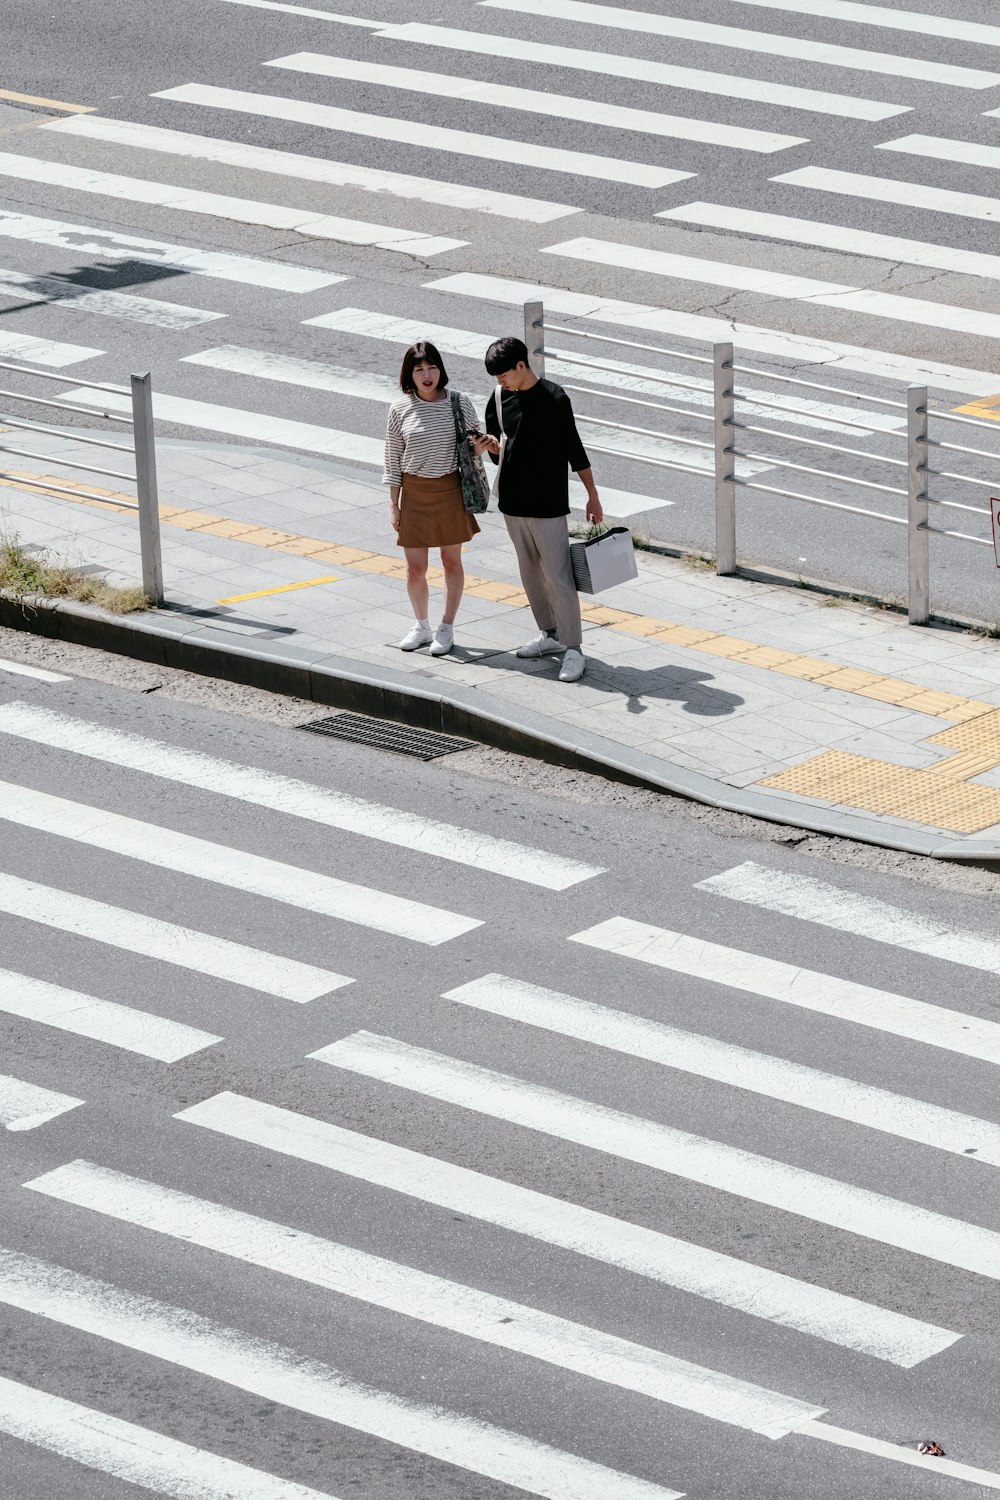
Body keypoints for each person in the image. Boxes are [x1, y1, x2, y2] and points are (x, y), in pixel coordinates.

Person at [482, 336, 603, 683]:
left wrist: (592, 495)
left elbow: (573, 449)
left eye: (504, 374)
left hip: (548, 504)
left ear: (522, 366)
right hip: (513, 502)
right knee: (530, 573)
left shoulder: (554, 398)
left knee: (558, 574)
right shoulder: (499, 398)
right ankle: (549, 635)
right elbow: (497, 450)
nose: (500, 382)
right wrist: (488, 447)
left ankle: (574, 648)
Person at [383, 340, 483, 656]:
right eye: (420, 370)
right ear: (409, 375)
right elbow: (392, 457)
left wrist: (481, 446)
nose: (427, 375)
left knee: (451, 561)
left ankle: (447, 627)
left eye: (432, 367)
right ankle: (421, 625)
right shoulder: (399, 408)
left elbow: (474, 445)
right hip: (414, 493)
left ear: (441, 369)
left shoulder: (458, 402)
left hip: (450, 490)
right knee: (415, 569)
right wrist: (393, 504)